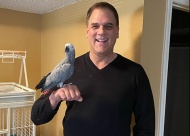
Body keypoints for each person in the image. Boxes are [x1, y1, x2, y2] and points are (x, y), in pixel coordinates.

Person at [31, 2, 155, 136]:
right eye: (95, 26)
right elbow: (37, 116)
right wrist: (56, 97)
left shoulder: (135, 73)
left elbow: (146, 127)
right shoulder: (68, 69)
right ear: (87, 31)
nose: (101, 32)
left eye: (108, 26)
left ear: (117, 31)